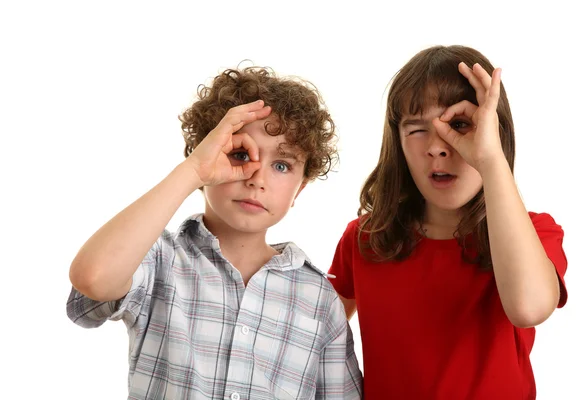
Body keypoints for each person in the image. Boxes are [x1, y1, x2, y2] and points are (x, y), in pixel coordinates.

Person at [67, 66, 363, 399]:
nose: (257, 178)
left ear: (300, 189)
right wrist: (193, 171)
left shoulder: (318, 299)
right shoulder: (159, 259)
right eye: (239, 154)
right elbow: (93, 278)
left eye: (282, 165)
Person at [328, 45, 567, 399]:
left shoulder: (535, 233)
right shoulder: (365, 238)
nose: (439, 147)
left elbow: (528, 308)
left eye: (459, 125)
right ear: (399, 143)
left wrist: (490, 160)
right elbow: (311, 336)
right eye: (417, 129)